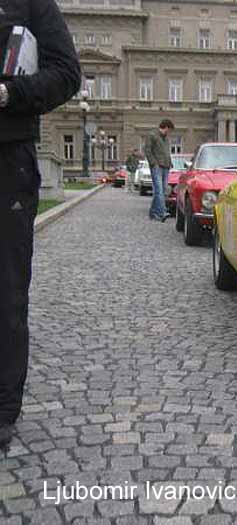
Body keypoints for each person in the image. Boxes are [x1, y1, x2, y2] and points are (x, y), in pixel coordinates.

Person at [0, 0, 81, 449]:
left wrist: (10, 94)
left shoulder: (30, 4)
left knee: (6, 291)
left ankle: (2, 409)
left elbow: (66, 73)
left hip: (7, 158)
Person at [144, 120, 174, 221]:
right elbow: (147, 150)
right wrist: (153, 163)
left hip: (166, 166)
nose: (169, 132)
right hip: (157, 167)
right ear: (166, 127)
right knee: (159, 190)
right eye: (169, 130)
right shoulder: (152, 135)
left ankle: (152, 212)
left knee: (162, 190)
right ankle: (162, 212)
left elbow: (166, 152)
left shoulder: (166, 139)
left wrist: (170, 162)